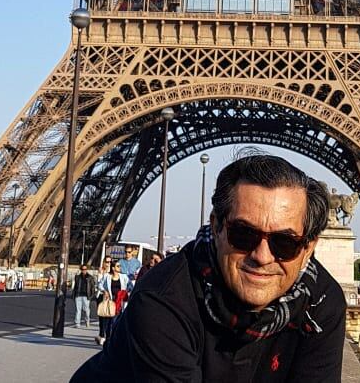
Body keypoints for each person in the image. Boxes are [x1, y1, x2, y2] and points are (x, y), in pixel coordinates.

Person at [70, 153, 345, 382]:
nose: (262, 256)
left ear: (308, 247)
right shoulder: (162, 299)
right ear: (216, 227)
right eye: (243, 235)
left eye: (284, 242)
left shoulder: (321, 302)